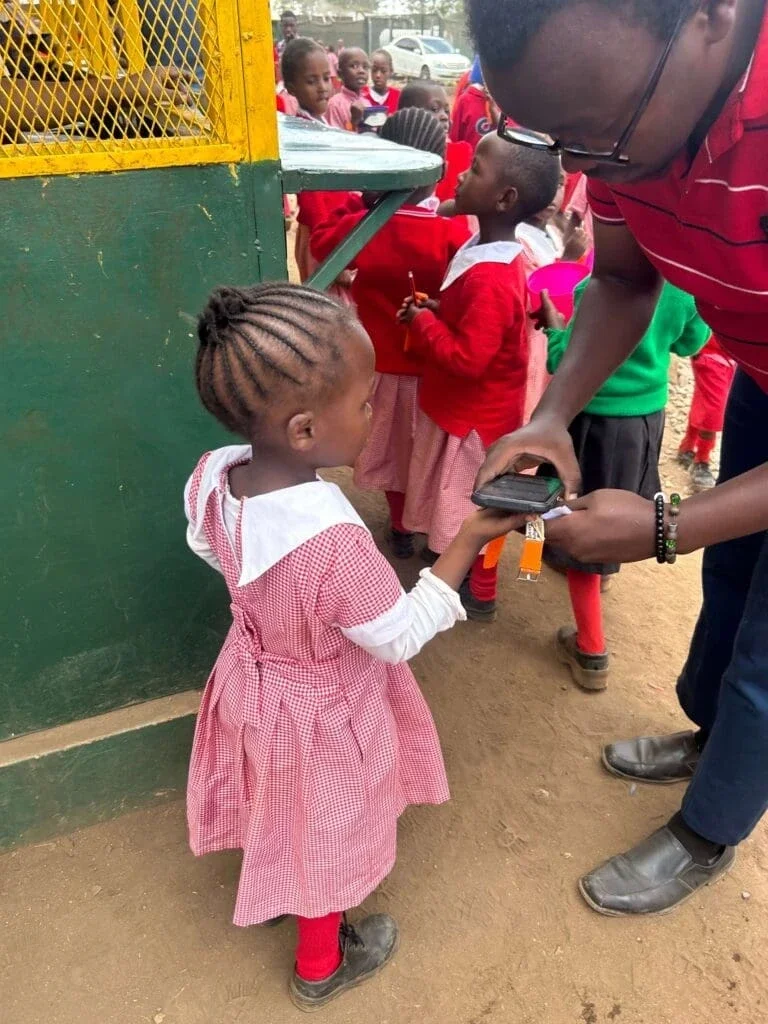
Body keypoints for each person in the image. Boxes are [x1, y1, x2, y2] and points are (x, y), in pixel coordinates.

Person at [468, 0, 768, 916]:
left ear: (714, 17)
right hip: (761, 371)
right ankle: (715, 739)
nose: (587, 171)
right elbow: (626, 278)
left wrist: (668, 521)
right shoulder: (622, 129)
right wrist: (554, 414)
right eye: (562, 143)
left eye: (599, 135)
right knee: (732, 583)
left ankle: (710, 827)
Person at [184, 282, 523, 1010]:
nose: (373, 414)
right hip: (320, 713)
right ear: (304, 430)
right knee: (327, 827)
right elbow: (395, 637)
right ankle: (319, 964)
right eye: (365, 402)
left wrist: (271, 617)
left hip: (248, 678)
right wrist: (464, 541)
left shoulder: (214, 475)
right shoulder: (335, 544)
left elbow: (213, 551)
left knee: (270, 790)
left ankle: (274, 885)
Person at [398, 133, 559, 620]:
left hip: (474, 423)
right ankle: (470, 574)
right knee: (471, 503)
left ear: (504, 198)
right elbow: (475, 321)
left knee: (478, 506)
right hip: (470, 413)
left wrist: (423, 322)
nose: (463, 175)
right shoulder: (485, 250)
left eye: (476, 169)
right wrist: (438, 306)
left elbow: (470, 359)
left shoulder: (493, 273)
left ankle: (477, 585)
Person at [311, 109, 471, 558]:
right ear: (437, 171)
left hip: (379, 363)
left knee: (390, 451)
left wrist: (363, 202)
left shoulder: (367, 227)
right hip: (433, 368)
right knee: (425, 453)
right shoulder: (450, 232)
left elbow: (322, 240)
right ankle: (430, 528)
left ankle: (400, 526)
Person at [539, 282, 710, 688]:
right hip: (643, 421)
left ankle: (591, 649)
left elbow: (566, 361)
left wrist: (553, 328)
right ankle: (603, 573)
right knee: (619, 501)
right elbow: (691, 344)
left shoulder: (596, 288)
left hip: (592, 420)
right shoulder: (686, 291)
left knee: (569, 515)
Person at [677, 336, 737, 491]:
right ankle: (702, 460)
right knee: (714, 410)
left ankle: (687, 446)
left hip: (729, 355)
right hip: (713, 353)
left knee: (704, 400)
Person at [397, 80, 473, 204]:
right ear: (407, 117)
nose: (444, 116)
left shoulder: (460, 153)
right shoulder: (394, 157)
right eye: (434, 109)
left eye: (446, 111)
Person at [449, 63, 499, 152]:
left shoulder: (504, 102)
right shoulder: (466, 100)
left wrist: (494, 112)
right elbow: (454, 138)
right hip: (468, 162)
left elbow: (508, 136)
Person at [326, 47, 369, 131]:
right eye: (354, 66)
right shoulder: (335, 105)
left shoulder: (367, 102)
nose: (361, 71)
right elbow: (335, 138)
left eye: (365, 67)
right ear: (340, 74)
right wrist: (353, 121)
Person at [361, 49, 400, 114]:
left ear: (391, 71)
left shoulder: (398, 96)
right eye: (374, 70)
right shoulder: (362, 94)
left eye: (383, 71)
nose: (378, 75)